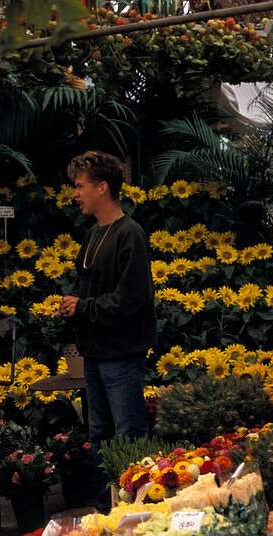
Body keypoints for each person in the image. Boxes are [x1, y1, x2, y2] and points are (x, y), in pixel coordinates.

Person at [59, 151, 156, 511]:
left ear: (103, 187)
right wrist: (74, 304)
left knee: (128, 436)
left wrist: (81, 307)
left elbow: (133, 300)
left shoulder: (130, 234)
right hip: (95, 355)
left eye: (80, 186)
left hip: (120, 356)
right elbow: (96, 293)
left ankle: (138, 509)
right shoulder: (93, 234)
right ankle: (106, 508)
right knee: (100, 435)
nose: (76, 194)